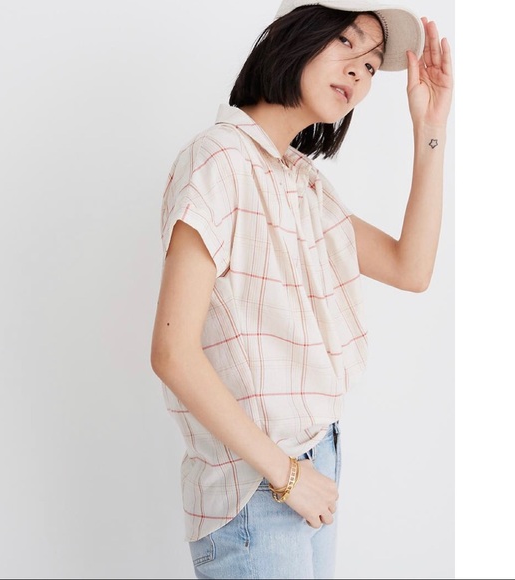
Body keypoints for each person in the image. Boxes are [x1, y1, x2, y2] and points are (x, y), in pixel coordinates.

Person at [150, 0, 453, 577]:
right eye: (347, 42)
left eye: (371, 65)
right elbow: (172, 353)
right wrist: (288, 476)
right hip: (258, 488)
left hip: (312, 467)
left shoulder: (302, 184)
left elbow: (411, 269)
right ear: (298, 33)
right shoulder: (218, 160)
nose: (359, 71)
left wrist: (430, 129)